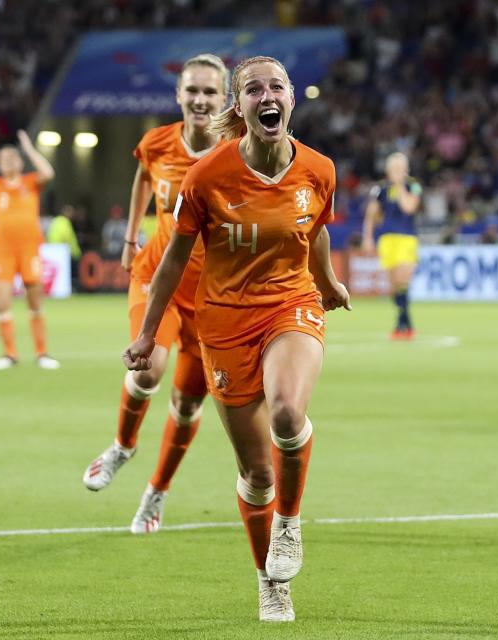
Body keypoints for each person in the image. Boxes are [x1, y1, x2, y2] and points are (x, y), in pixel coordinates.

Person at [122, 56, 350, 623]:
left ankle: (290, 524)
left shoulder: (319, 169)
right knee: (256, 474)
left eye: (276, 86)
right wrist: (148, 333)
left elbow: (314, 233)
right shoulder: (208, 177)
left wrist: (327, 285)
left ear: (291, 99)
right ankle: (268, 582)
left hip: (290, 306)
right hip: (223, 323)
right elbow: (174, 259)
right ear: (240, 105)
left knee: (288, 415)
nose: (266, 95)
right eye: (253, 89)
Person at [82, 54, 228, 536]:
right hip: (157, 278)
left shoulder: (240, 152)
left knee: (187, 407)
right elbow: (144, 175)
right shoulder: (158, 143)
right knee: (147, 370)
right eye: (193, 91)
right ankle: (122, 446)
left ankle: (157, 491)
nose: (201, 100)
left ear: (225, 99)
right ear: (178, 95)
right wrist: (129, 238)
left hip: (214, 299)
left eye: (210, 92)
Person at [0, 130, 58, 370]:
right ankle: (10, 354)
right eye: (2, 159)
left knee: (35, 302)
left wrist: (29, 150)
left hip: (29, 249)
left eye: (12, 158)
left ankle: (42, 353)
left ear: (19, 161)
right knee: (2, 303)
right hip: (4, 251)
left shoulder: (30, 182)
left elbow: (48, 173)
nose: (7, 162)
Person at [361, 152, 423, 340]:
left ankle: (403, 324)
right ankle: (405, 324)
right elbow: (371, 215)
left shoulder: (414, 186)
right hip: (387, 239)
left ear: (406, 169)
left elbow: (409, 208)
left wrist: (400, 186)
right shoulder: (379, 189)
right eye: (394, 168)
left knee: (404, 281)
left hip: (407, 238)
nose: (397, 172)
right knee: (394, 286)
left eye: (400, 168)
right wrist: (368, 237)